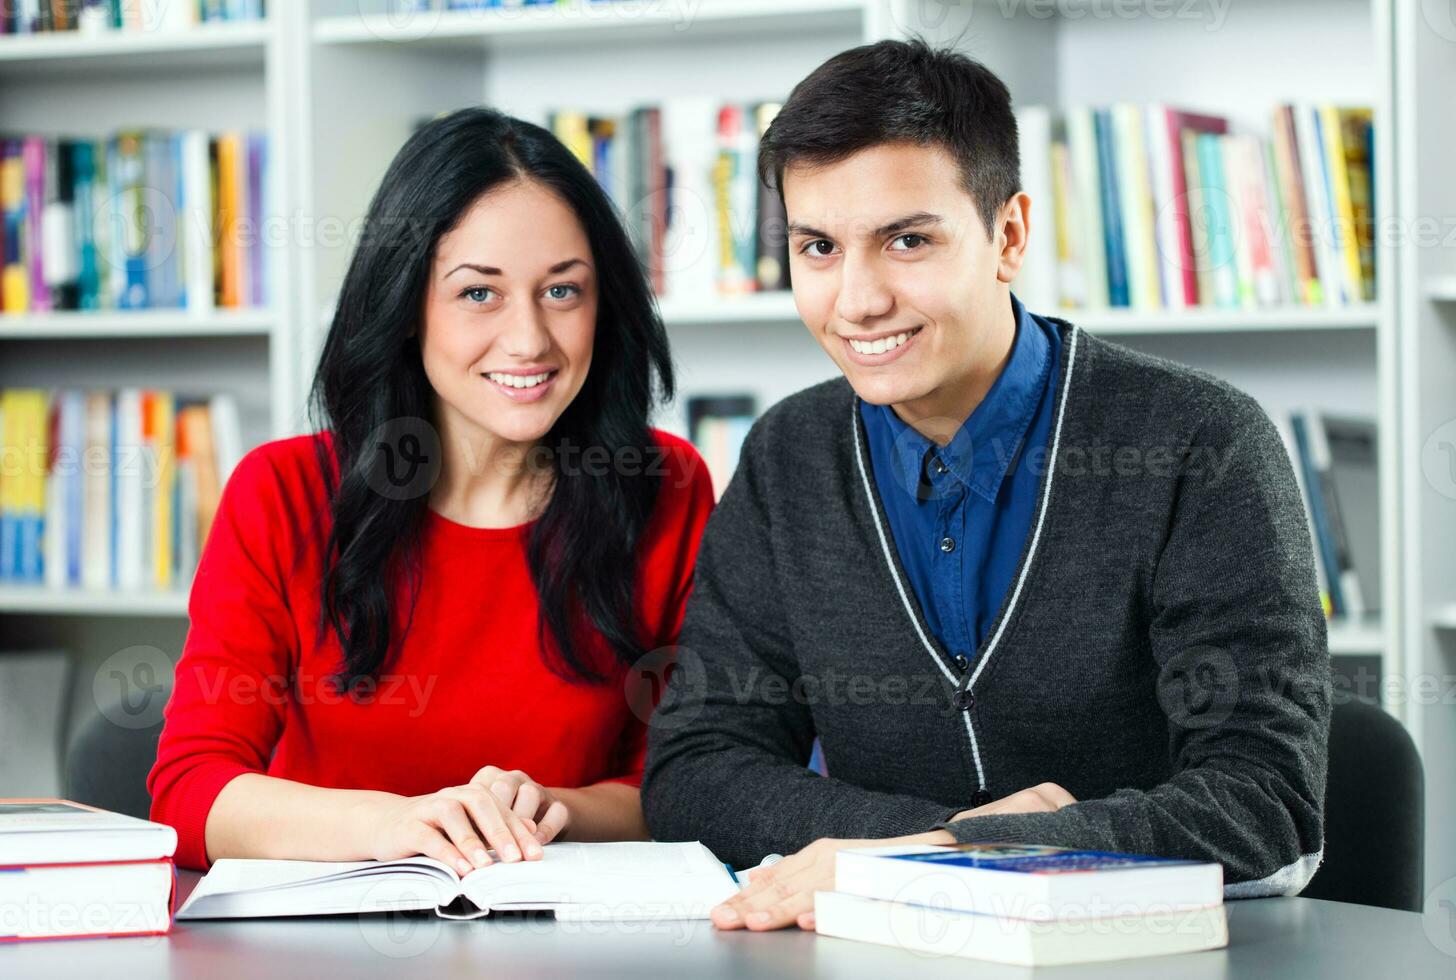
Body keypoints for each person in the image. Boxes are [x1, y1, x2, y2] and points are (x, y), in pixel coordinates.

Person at [641, 39, 1330, 931]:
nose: (856, 300)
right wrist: (940, 847)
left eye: (907, 240)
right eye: (819, 247)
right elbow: (696, 770)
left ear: (1008, 235)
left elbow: (1268, 802)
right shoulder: (788, 456)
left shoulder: (1200, 443)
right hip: (874, 952)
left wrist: (960, 857)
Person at [148, 107, 713, 874]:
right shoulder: (282, 492)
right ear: (408, 306)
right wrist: (405, 825)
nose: (528, 341)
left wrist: (551, 809)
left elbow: (685, 782)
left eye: (563, 292)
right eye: (478, 294)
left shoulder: (665, 488)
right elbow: (188, 792)